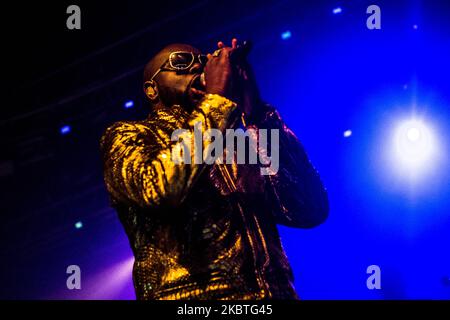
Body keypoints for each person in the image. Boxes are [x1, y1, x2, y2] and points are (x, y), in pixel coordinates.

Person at [100, 39, 329, 300]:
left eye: (203, 62)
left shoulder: (235, 144)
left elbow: (309, 209)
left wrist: (255, 113)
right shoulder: (129, 135)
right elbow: (159, 189)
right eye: (181, 63)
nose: (198, 68)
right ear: (152, 90)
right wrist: (217, 102)